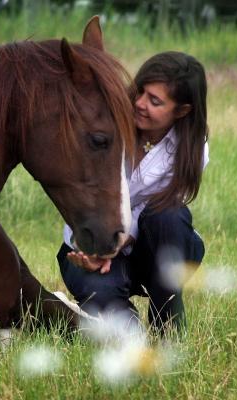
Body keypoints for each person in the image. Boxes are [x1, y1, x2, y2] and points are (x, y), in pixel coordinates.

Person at [57, 51, 209, 333]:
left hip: (152, 247)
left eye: (155, 101)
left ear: (182, 110)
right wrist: (92, 248)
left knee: (170, 215)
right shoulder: (104, 124)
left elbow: (158, 209)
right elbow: (80, 195)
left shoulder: (192, 149)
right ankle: (77, 312)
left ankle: (169, 323)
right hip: (93, 244)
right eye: (140, 91)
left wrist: (120, 240)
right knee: (120, 331)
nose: (139, 103)